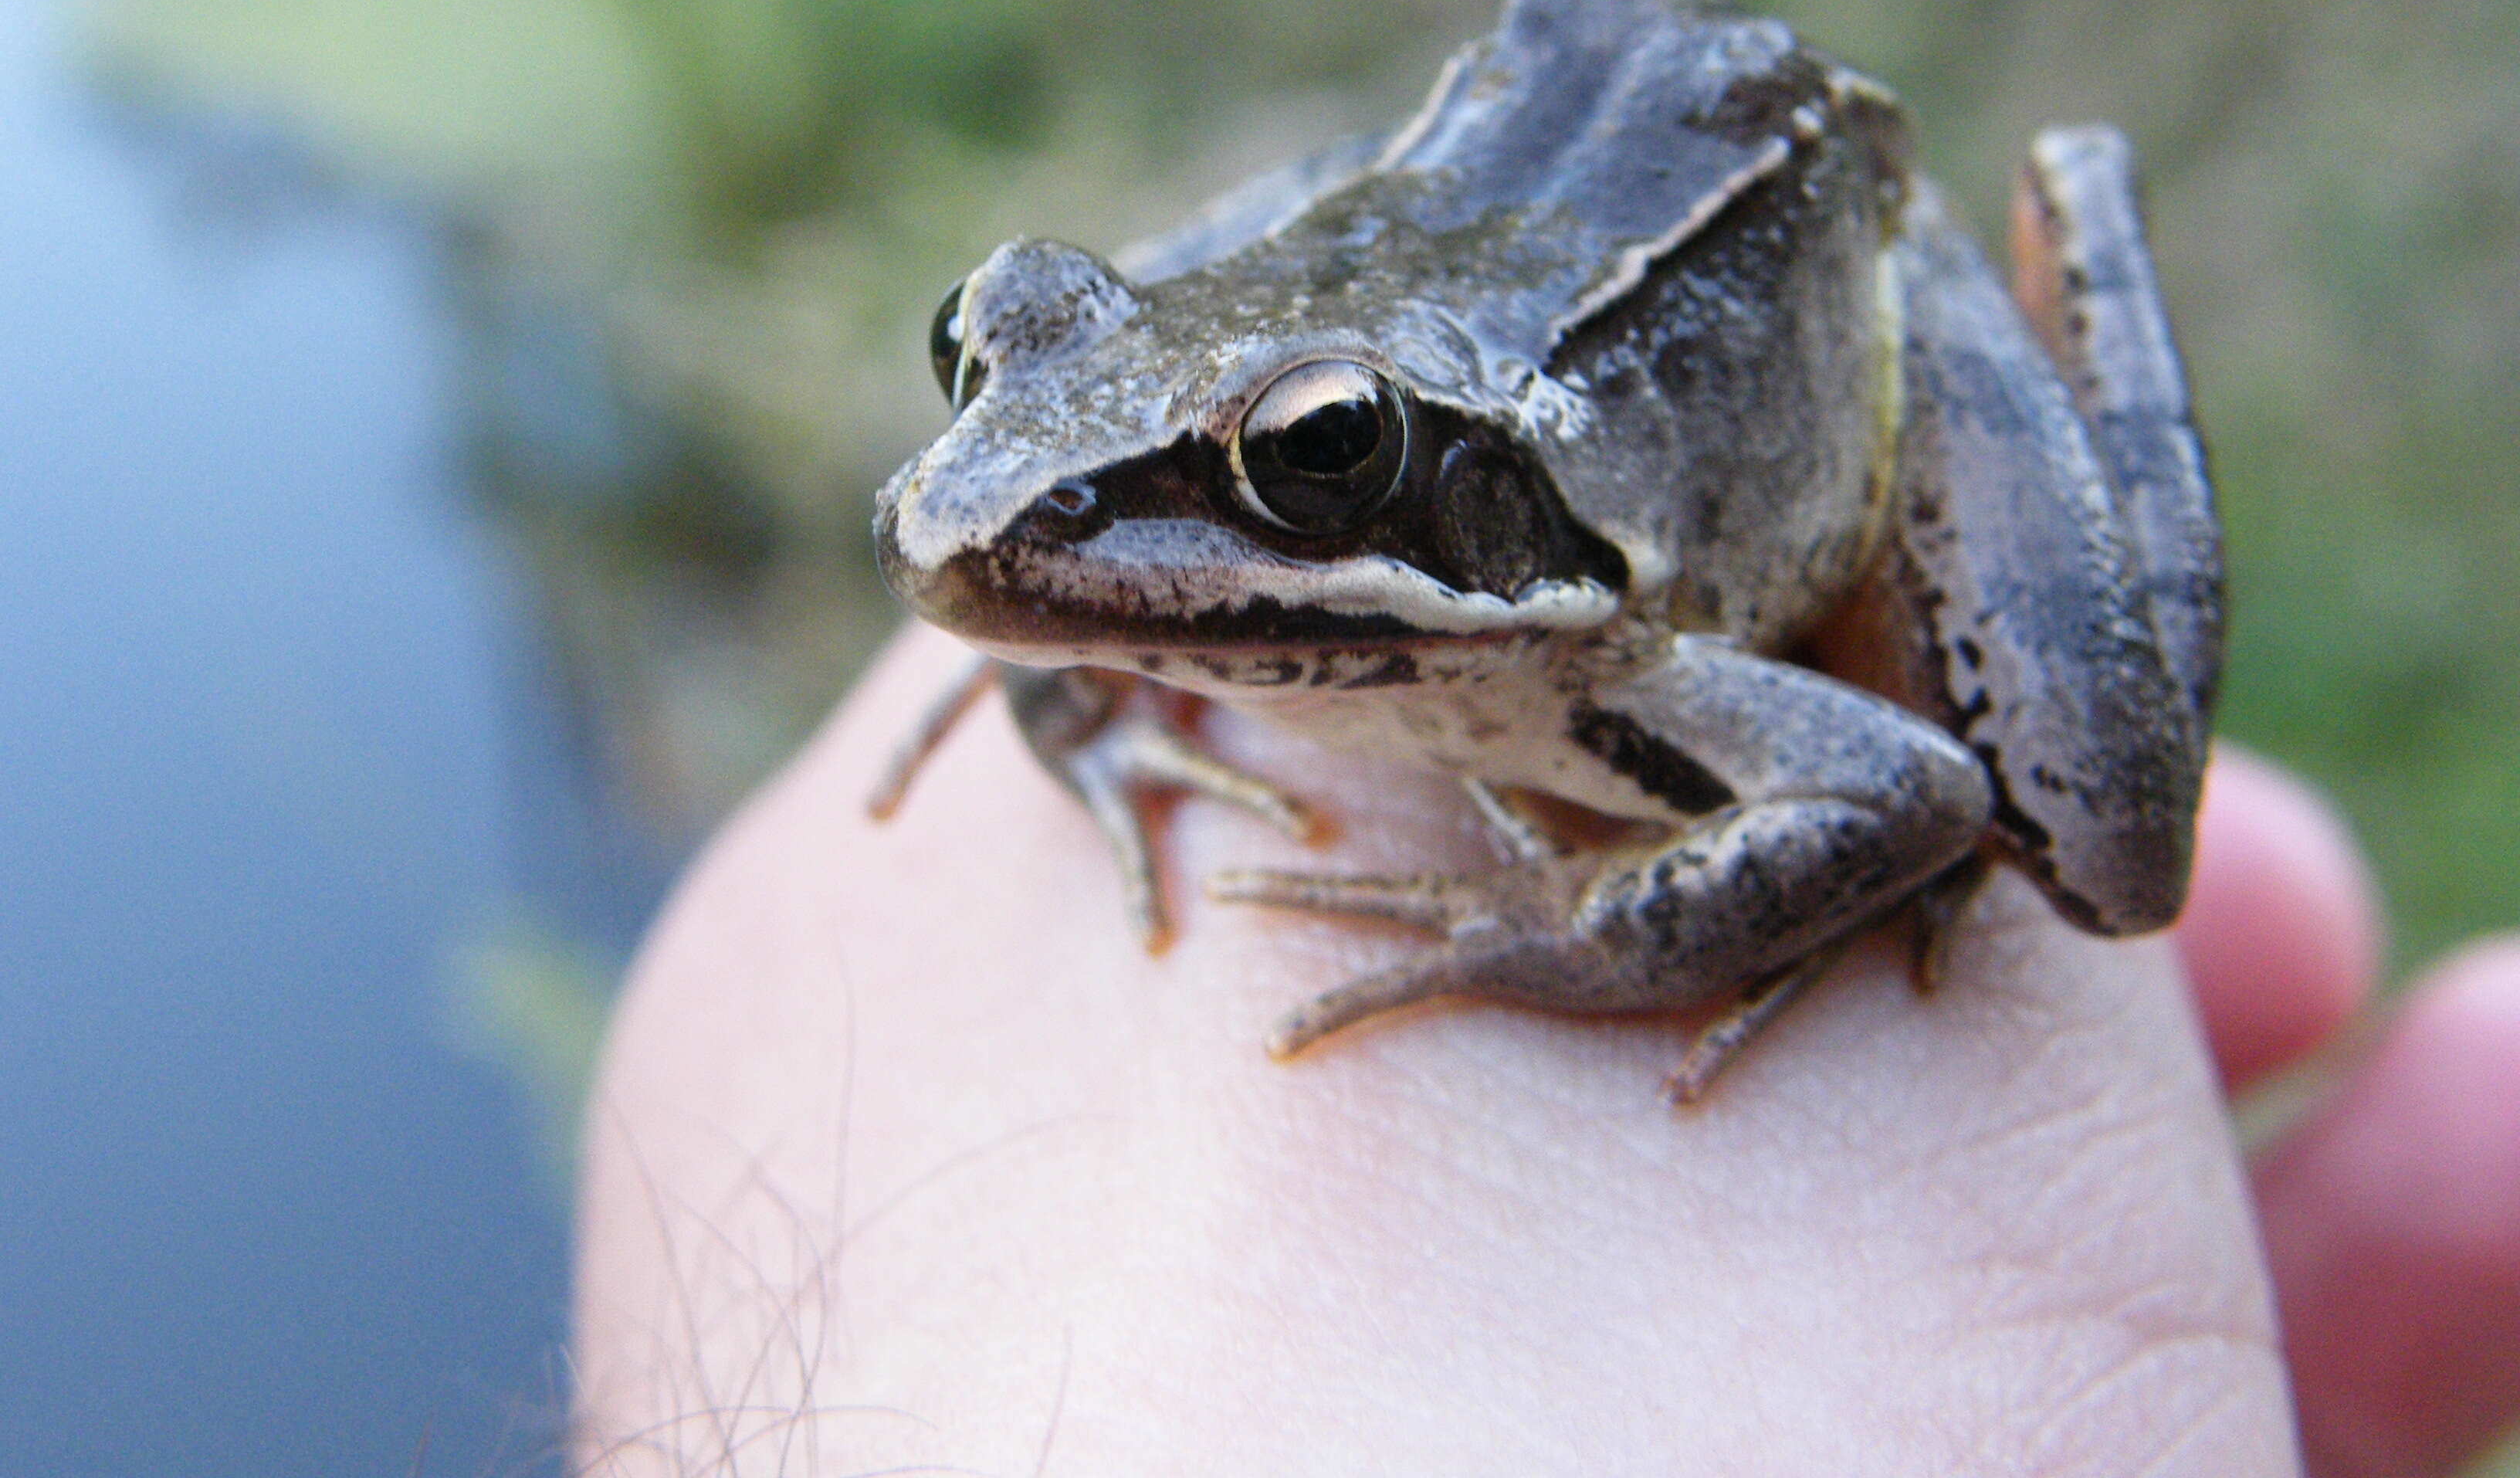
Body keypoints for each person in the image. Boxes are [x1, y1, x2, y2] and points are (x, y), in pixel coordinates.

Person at [573, 631, 2520, 1476]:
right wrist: (1077, 703)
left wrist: (1557, 932)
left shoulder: (1616, 646)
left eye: (1322, 454)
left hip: (1727, 313)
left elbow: (1915, 783)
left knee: (2089, 826)